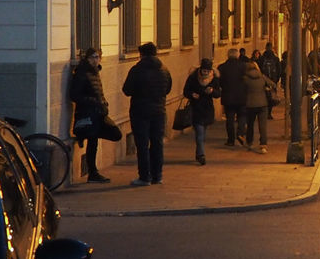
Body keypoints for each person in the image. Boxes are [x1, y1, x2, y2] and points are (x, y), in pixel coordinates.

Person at [122, 42, 172, 186]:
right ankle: (158, 175)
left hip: (140, 111)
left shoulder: (136, 70)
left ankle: (145, 176)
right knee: (157, 143)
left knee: (142, 145)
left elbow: (127, 90)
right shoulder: (164, 69)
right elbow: (168, 88)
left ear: (141, 54)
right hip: (159, 111)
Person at [69, 47, 111, 183]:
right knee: (92, 141)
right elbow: (75, 95)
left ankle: (93, 171)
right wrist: (94, 101)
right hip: (87, 113)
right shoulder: (82, 73)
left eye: (97, 57)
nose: (95, 60)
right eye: (93, 57)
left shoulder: (94, 73)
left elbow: (97, 92)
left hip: (96, 112)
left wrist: (103, 102)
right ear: (87, 58)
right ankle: (92, 172)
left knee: (95, 141)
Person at [183, 58, 220, 166]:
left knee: (202, 135)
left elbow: (218, 93)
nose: (205, 73)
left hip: (208, 109)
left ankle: (198, 153)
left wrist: (212, 91)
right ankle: (201, 155)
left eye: (207, 71)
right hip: (196, 108)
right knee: (199, 133)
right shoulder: (193, 77)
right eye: (204, 71)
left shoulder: (214, 79)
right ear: (200, 69)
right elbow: (186, 91)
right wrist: (192, 95)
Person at [241, 58, 277, 154]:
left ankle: (249, 142)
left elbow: (242, 91)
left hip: (250, 104)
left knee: (250, 124)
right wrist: (266, 88)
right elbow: (273, 84)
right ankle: (263, 145)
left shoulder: (245, 79)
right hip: (263, 104)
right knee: (263, 125)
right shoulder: (262, 77)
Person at [218, 48, 247, 147]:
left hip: (228, 96)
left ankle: (230, 140)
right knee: (242, 116)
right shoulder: (243, 66)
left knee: (229, 119)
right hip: (242, 96)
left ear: (228, 55)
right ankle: (240, 133)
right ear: (238, 55)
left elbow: (219, 82)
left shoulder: (222, 67)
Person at [260, 42, 283, 117]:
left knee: (264, 96)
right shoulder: (275, 58)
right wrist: (276, 80)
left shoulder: (262, 58)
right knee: (272, 96)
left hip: (264, 80)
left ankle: (266, 111)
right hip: (273, 80)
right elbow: (279, 69)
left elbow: (259, 69)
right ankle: (269, 112)